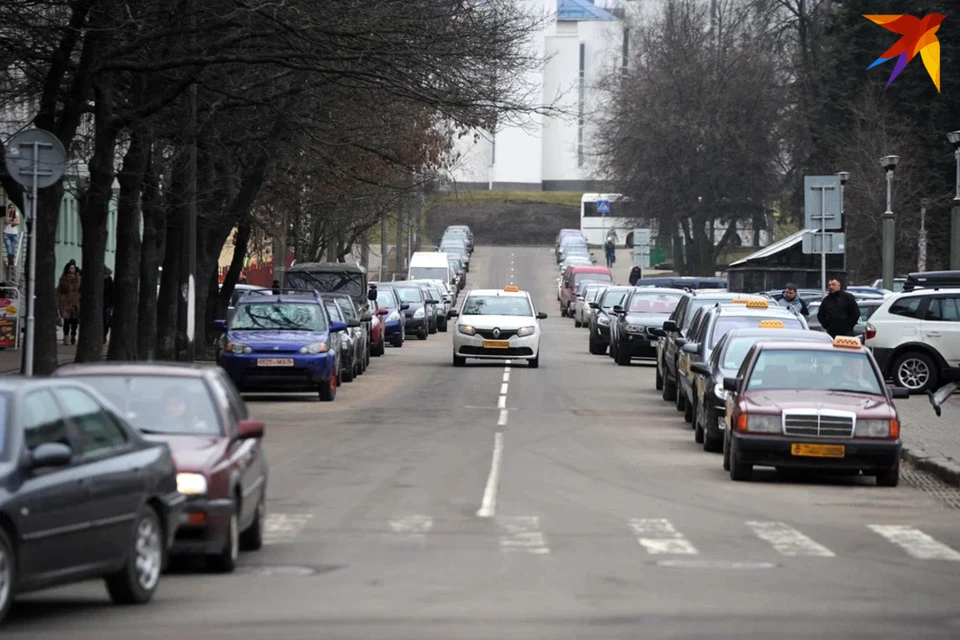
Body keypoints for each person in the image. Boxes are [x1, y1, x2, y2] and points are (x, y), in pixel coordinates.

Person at [56, 262, 82, 345]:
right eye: (71, 268)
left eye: (73, 268)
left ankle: (73, 334)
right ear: (67, 269)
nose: (72, 270)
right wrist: (58, 302)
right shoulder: (63, 279)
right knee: (66, 320)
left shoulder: (79, 279)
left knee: (75, 321)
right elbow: (59, 291)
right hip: (66, 302)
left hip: (75, 302)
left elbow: (81, 290)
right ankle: (66, 337)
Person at [3, 204, 20, 270]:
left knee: (12, 249)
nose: (12, 209)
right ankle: (11, 265)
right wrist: (13, 221)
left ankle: (10, 266)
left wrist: (12, 222)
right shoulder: (6, 214)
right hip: (7, 234)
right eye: (10, 207)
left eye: (13, 207)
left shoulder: (17, 213)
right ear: (8, 208)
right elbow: (7, 221)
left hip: (14, 234)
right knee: (9, 248)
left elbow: (18, 223)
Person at [103, 266, 114, 341]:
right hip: (102, 303)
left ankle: (104, 335)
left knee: (106, 321)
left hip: (107, 303)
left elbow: (112, 291)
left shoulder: (109, 279)